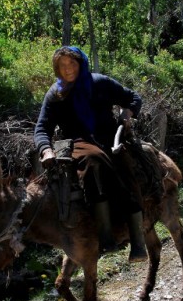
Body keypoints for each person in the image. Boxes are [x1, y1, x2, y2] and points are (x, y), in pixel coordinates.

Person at [34, 46, 147, 262]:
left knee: (125, 167)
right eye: (62, 65)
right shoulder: (55, 95)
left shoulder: (100, 83)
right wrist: (46, 149)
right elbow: (42, 128)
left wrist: (128, 111)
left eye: (72, 63)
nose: (68, 69)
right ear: (57, 68)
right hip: (77, 142)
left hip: (110, 136)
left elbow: (133, 97)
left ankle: (137, 240)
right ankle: (105, 238)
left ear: (81, 63)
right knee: (93, 161)